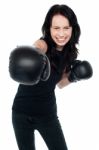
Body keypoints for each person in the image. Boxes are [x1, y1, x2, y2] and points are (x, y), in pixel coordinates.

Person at [9, 4, 93, 150]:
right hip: (20, 113)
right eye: (56, 28)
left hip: (47, 115)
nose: (61, 34)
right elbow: (38, 46)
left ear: (73, 28)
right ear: (49, 28)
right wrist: (34, 53)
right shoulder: (44, 44)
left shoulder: (70, 54)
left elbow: (60, 83)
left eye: (66, 28)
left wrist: (73, 77)